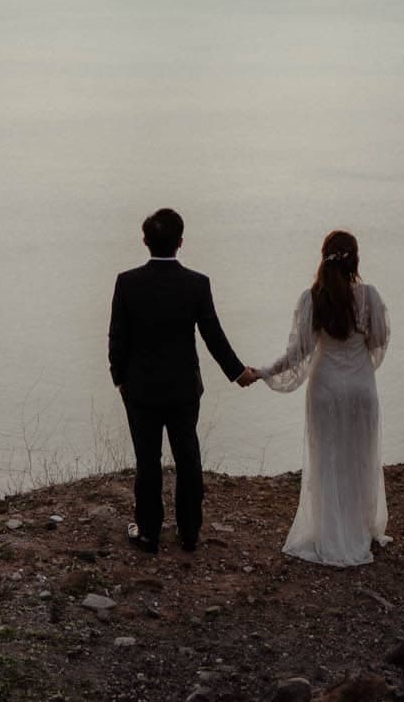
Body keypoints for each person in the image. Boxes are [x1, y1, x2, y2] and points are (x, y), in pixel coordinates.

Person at [106, 207, 255, 553]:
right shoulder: (196, 284)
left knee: (148, 460)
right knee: (187, 456)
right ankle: (189, 532)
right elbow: (212, 335)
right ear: (181, 242)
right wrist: (238, 373)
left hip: (140, 389)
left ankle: (148, 533)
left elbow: (117, 337)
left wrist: (120, 378)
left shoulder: (127, 283)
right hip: (184, 388)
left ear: (145, 241)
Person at [250, 229, 391, 567]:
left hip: (325, 389)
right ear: (355, 260)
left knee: (327, 461)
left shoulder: (312, 299)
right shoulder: (369, 297)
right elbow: (379, 342)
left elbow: (297, 354)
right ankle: (359, 528)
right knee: (359, 457)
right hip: (360, 389)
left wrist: (263, 372)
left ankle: (331, 534)